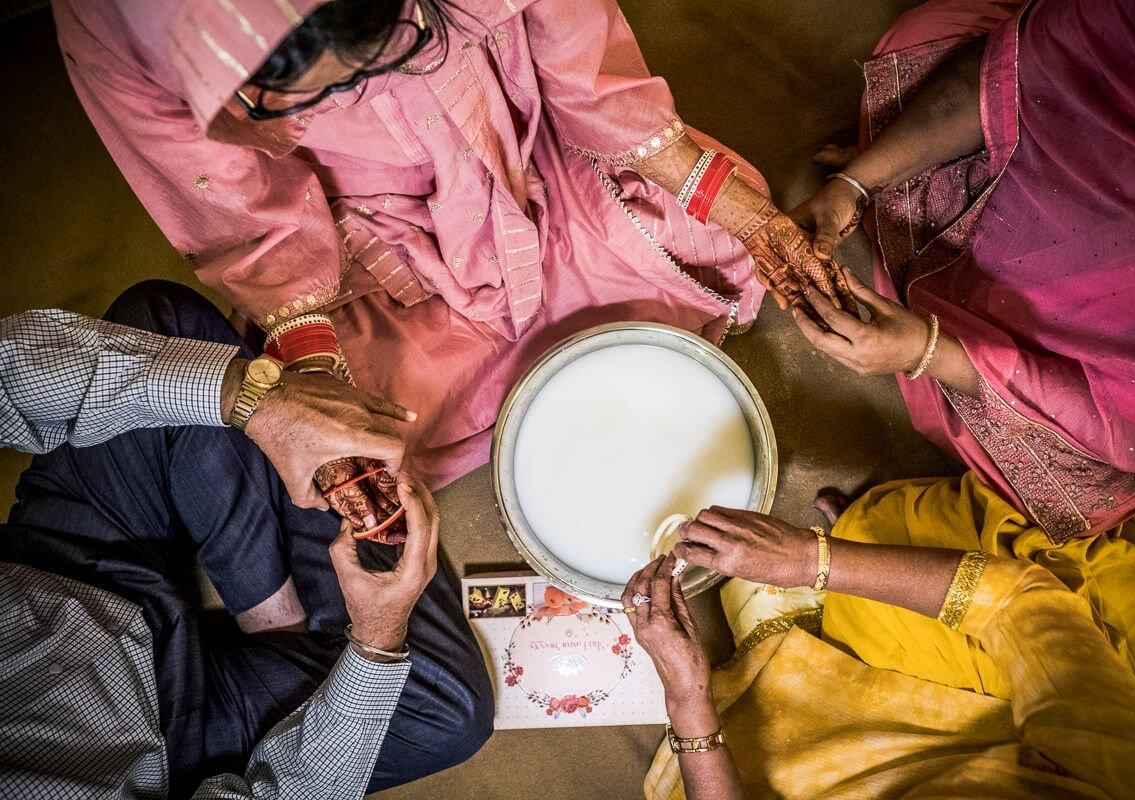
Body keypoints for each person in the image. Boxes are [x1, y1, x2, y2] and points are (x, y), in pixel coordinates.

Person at [51, 0, 852, 536]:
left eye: (387, 51)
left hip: (526, 155)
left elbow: (587, 77)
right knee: (364, 432)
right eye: (300, 94)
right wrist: (315, 367)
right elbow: (241, 217)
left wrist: (739, 209)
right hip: (376, 241)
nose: (360, 86)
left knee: (723, 222)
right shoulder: (121, 33)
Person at [0, 281, 492, 797]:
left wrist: (243, 394)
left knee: (163, 324)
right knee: (443, 713)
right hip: (178, 747)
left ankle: (273, 611)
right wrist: (375, 641)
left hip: (54, 579)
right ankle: (285, 611)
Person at [787, 0, 1135, 539]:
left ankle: (951, 329)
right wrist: (857, 184)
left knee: (1033, 497)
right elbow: (1022, 70)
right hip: (1030, 181)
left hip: (1093, 372)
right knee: (926, 36)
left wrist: (930, 353)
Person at [625, 503, 1135, 799]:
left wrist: (689, 701)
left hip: (846, 774)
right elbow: (1017, 602)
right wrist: (813, 559)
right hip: (1032, 721)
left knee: (886, 540)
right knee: (1113, 573)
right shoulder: (1134, 778)